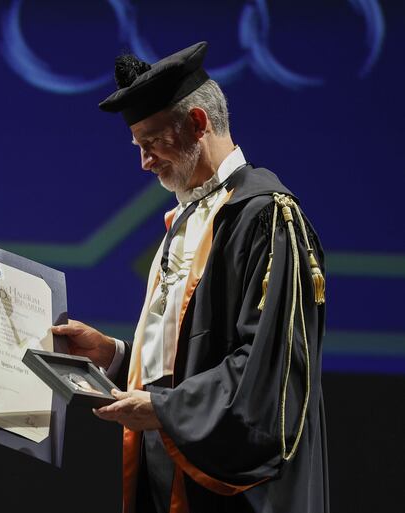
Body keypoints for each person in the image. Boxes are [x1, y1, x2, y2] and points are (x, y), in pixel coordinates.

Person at [52, 42, 328, 512]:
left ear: (198, 124)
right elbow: (185, 356)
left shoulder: (265, 216)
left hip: (234, 480)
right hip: (170, 457)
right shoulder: (187, 218)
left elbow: (268, 368)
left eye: (151, 142)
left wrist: (163, 408)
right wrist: (116, 357)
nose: (144, 162)